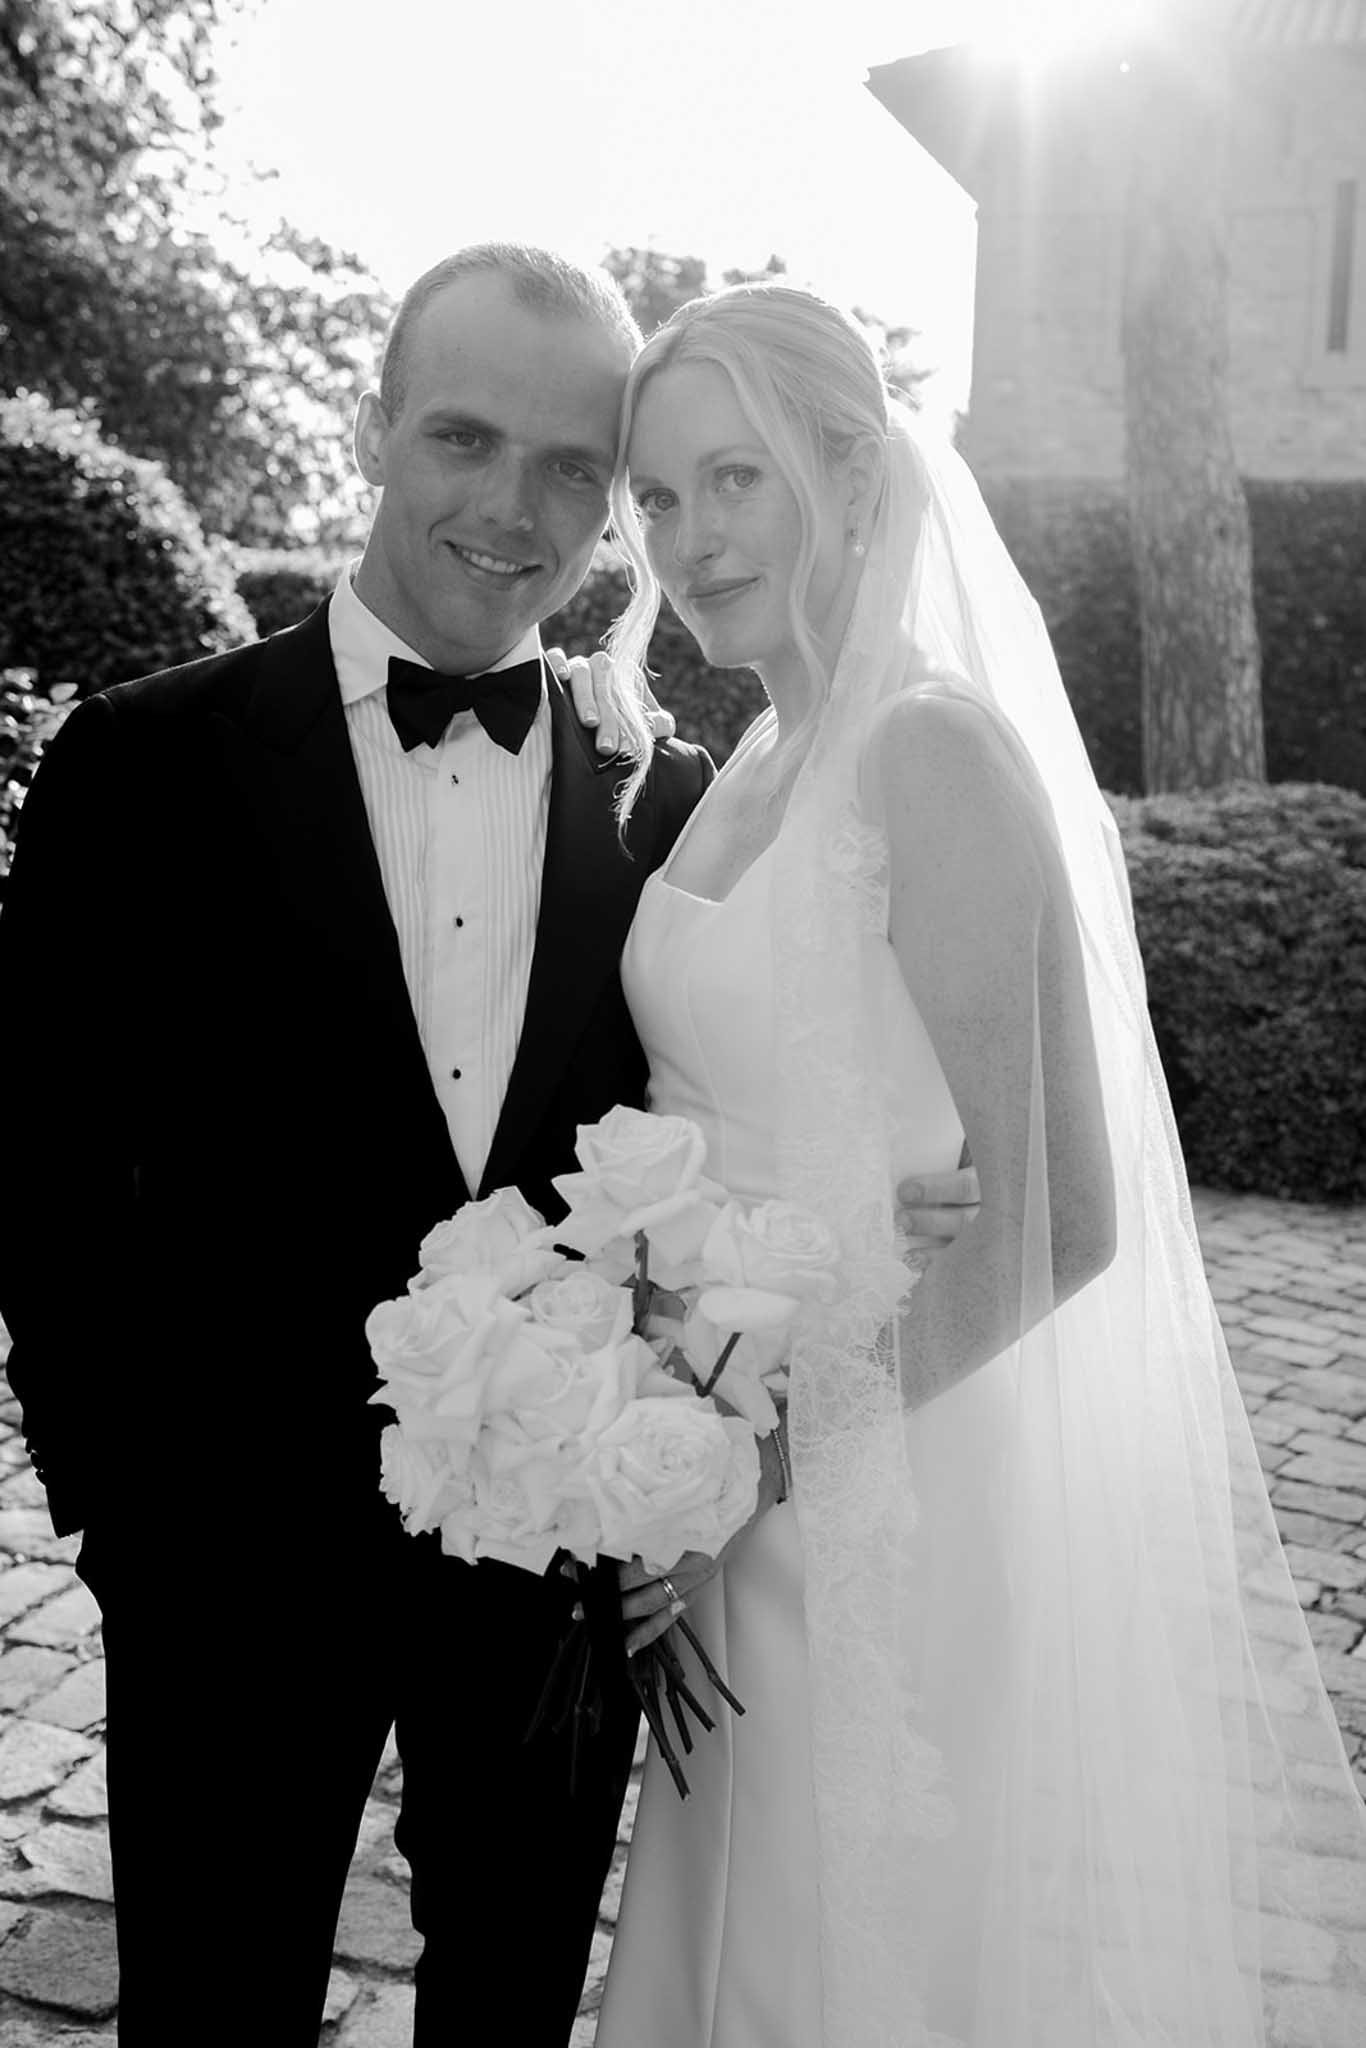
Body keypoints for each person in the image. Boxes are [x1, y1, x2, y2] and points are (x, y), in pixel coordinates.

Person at [0, 242, 976, 2046]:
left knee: (517, 2009)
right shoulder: (140, 763)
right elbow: (42, 1173)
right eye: (463, 438)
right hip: (224, 1569)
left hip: (563, 1573)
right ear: (374, 429)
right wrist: (119, 1516)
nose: (512, 509)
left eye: (574, 472)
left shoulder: (664, 796)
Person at [586, 282, 1366, 2048]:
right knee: (722, 1937)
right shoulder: (746, 764)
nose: (686, 540)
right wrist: (648, 1415)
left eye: (735, 480)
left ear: (854, 477)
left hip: (873, 1485)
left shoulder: (925, 751)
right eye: (654, 497)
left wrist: (744, 1471)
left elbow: (1059, 1220)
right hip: (712, 1455)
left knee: (849, 1962)